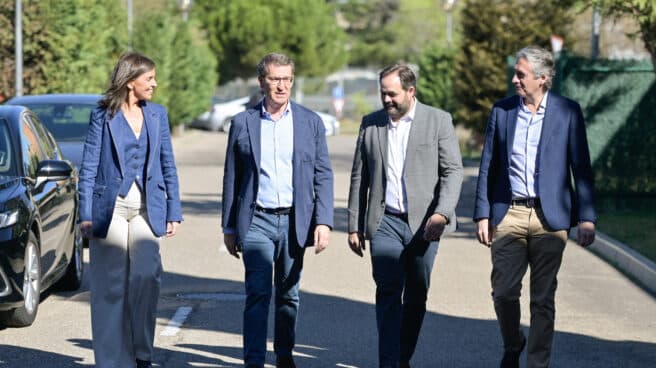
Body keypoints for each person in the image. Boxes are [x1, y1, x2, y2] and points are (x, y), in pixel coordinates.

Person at [474, 46, 596, 368]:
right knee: (503, 292)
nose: (514, 79)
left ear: (542, 78)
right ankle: (513, 343)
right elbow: (488, 166)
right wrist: (483, 213)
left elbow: (580, 167)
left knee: (543, 299)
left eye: (521, 74)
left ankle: (537, 363)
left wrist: (586, 217)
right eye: (515, 73)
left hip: (550, 218)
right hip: (509, 212)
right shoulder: (502, 112)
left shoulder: (568, 112)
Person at [221, 52, 334, 368]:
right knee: (257, 293)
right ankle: (254, 361)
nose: (281, 86)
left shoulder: (310, 122)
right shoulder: (243, 123)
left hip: (295, 221)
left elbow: (322, 174)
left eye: (286, 79)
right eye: (275, 79)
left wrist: (323, 221)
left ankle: (284, 356)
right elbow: (232, 176)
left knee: (288, 295)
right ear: (262, 82)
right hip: (256, 220)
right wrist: (229, 228)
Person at [347, 64, 463, 368]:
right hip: (384, 221)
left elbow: (453, 171)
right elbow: (360, 178)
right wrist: (354, 225)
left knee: (416, 296)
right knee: (387, 292)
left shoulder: (438, 121)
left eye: (392, 93)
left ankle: (402, 357)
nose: (386, 99)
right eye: (382, 93)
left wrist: (442, 213)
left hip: (425, 225)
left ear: (410, 91)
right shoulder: (371, 125)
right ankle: (389, 362)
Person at [78, 52, 183, 368]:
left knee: (145, 275)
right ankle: (113, 361)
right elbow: (89, 166)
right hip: (109, 206)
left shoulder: (157, 115)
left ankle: (141, 351)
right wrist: (85, 213)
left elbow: (167, 163)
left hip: (147, 208)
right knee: (110, 286)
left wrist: (174, 210)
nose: (155, 84)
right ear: (130, 80)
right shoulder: (103, 115)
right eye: (149, 78)